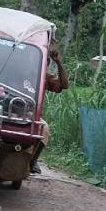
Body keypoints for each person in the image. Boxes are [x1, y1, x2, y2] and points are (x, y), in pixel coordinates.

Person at [29, 39, 68, 174]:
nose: (43, 63)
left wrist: (58, 62)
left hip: (32, 114)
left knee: (44, 129)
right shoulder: (21, 71)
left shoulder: (44, 78)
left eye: (46, 61)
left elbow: (64, 85)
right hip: (13, 110)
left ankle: (32, 161)